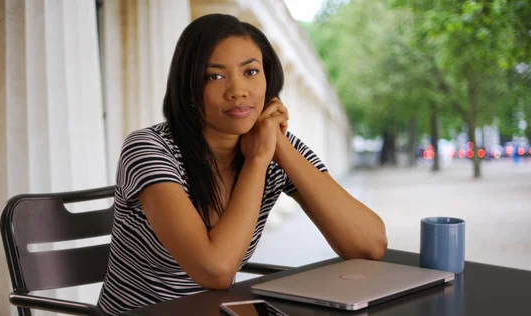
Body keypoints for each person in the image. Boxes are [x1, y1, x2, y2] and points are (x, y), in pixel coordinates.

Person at [97, 13, 388, 315]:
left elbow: (369, 245)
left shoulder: (273, 147)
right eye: (215, 76)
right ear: (190, 88)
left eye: (250, 72)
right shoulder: (149, 149)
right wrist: (257, 161)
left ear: (268, 79)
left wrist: (281, 149)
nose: (238, 90)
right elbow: (216, 271)